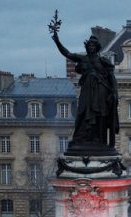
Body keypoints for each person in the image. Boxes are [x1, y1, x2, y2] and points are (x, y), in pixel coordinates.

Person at [50, 23, 119, 154]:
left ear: (97, 47)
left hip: (100, 92)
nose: (91, 47)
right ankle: (81, 138)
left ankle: (99, 140)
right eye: (89, 45)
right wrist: (57, 41)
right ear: (87, 47)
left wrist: (114, 93)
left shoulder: (103, 61)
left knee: (100, 116)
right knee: (82, 113)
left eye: (93, 46)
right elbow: (68, 54)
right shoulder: (83, 59)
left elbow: (112, 78)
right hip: (87, 91)